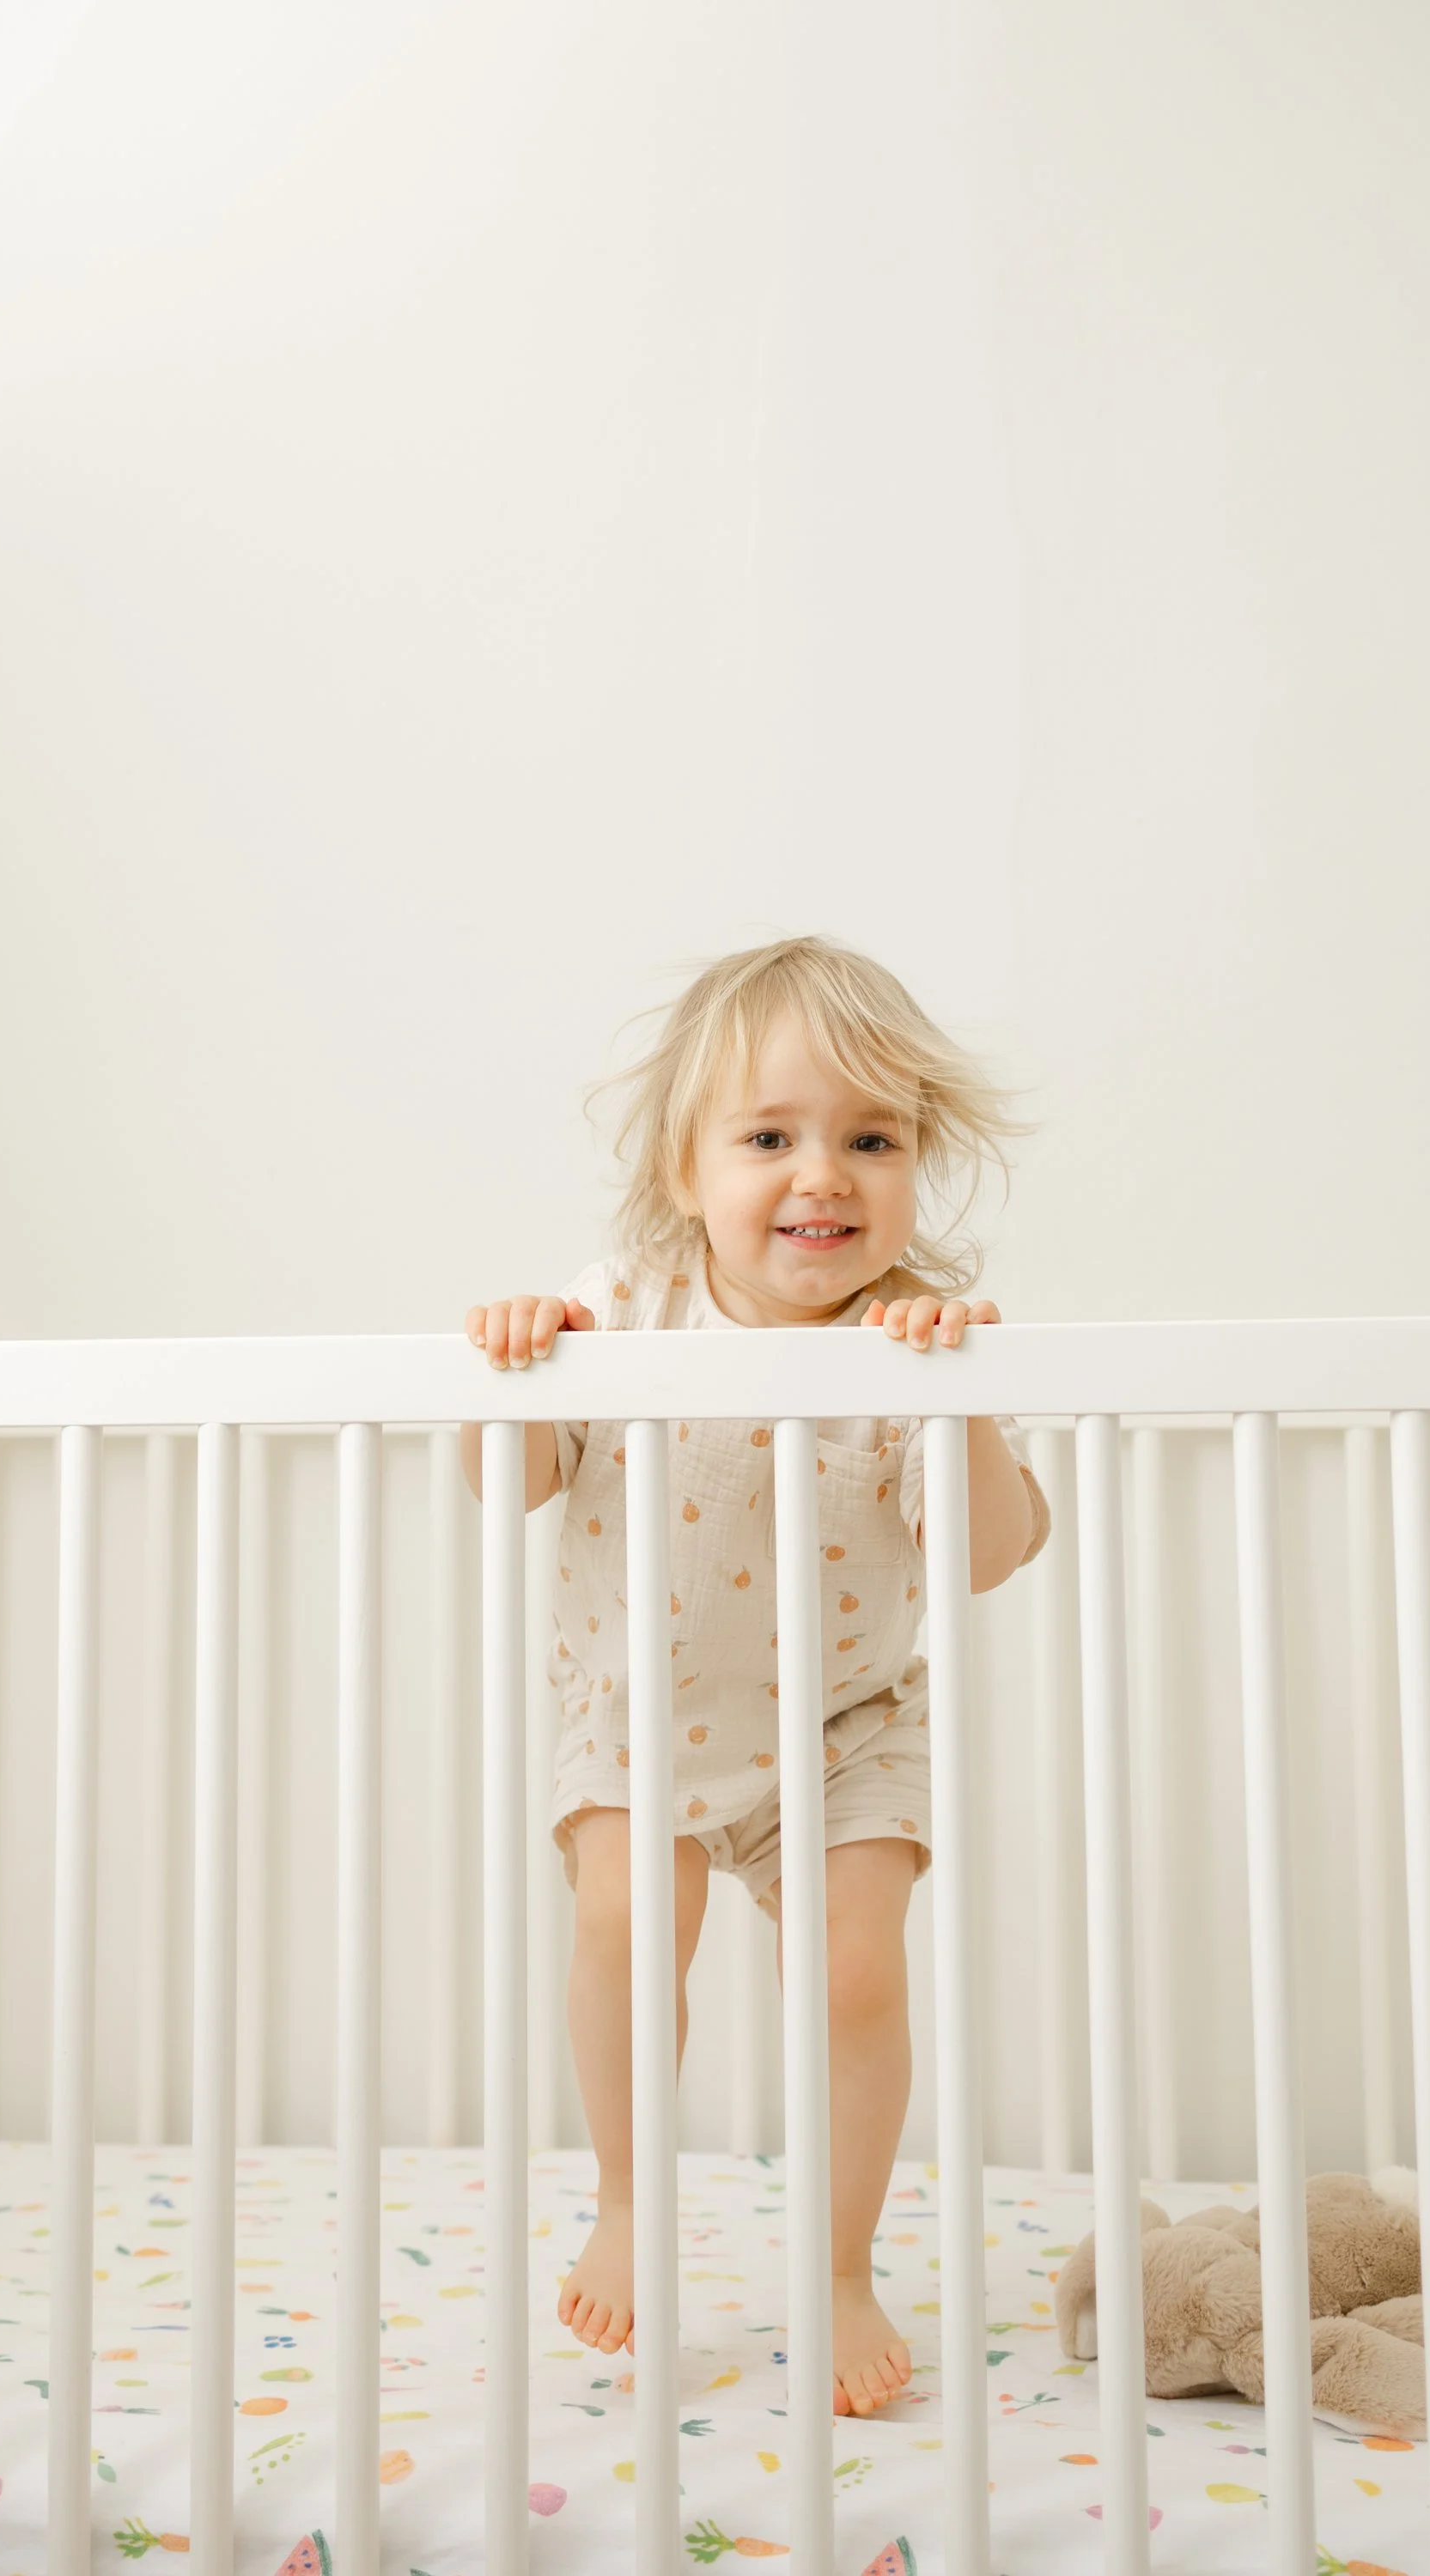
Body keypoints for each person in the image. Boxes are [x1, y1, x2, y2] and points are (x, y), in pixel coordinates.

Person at [459, 934, 1050, 2419]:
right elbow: (506, 1482)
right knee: (622, 1922)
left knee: (854, 1973)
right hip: (638, 1717)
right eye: (771, 1138)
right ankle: (625, 2197)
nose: (824, 1177)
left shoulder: (916, 1341)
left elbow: (992, 1551)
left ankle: (842, 2265)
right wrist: (523, 1366)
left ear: (919, 1164)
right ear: (683, 1171)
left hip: (844, 1733)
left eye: (872, 1139)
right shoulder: (625, 1310)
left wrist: (960, 1395)